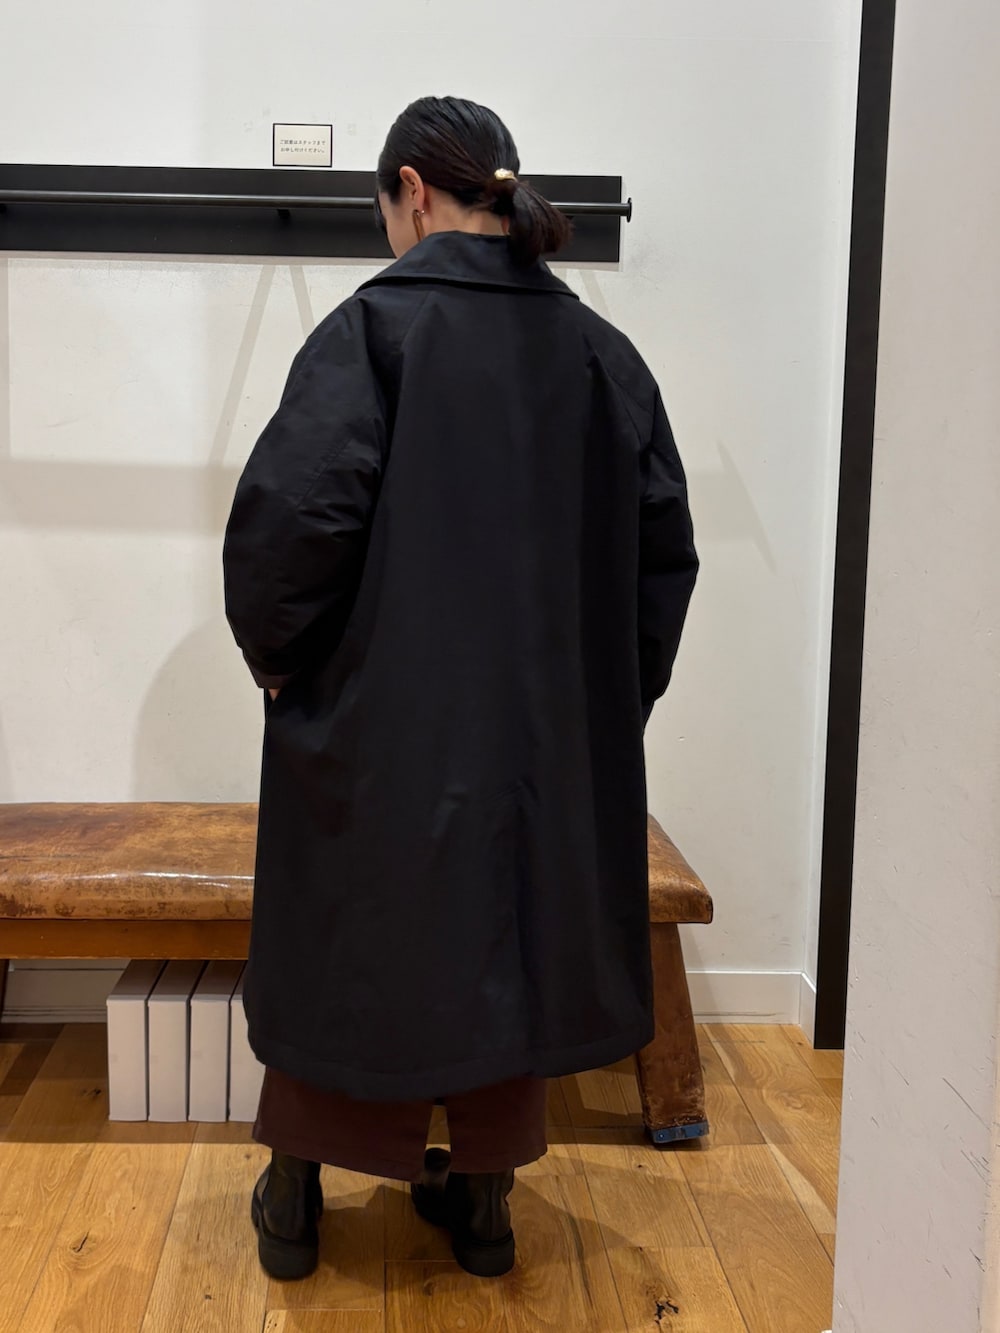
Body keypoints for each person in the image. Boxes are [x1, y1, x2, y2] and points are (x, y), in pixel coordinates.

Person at [223, 94, 698, 1283]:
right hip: (546, 748)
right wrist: (604, 707)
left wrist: (281, 664)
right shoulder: (601, 356)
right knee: (513, 946)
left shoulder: (371, 333)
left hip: (380, 732)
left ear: (411, 193)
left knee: (348, 943)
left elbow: (292, 527)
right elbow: (662, 557)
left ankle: (294, 1197)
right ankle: (484, 1202)